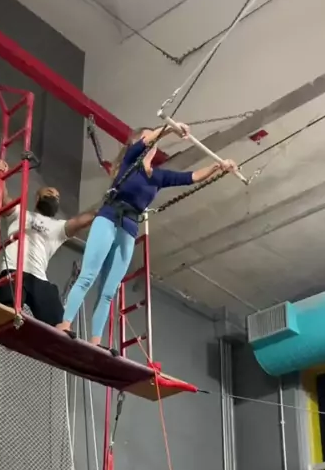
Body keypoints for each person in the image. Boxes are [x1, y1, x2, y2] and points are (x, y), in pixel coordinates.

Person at [56, 123, 237, 346]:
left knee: (109, 290)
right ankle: (65, 322)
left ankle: (95, 341)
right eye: (149, 139)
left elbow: (191, 177)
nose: (152, 143)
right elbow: (148, 140)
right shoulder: (130, 161)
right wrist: (169, 129)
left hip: (129, 229)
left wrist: (218, 166)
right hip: (109, 218)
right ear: (137, 144)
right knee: (88, 275)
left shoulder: (158, 177)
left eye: (155, 141)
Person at [0, 159, 95, 327]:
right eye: (49, 193)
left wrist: (104, 209)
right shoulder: (20, 213)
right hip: (13, 270)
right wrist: (1, 176)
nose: (53, 196)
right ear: (37, 197)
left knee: (59, 324)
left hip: (38, 277)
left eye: (57, 197)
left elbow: (80, 221)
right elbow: (4, 201)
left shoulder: (59, 227)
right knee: (7, 311)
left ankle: (61, 335)